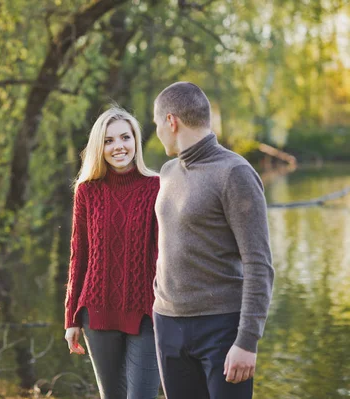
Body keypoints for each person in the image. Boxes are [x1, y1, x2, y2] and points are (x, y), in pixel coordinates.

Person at [152, 81, 275, 399]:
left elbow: (258, 263)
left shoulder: (235, 173)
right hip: (168, 324)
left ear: (171, 121)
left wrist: (247, 341)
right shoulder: (167, 172)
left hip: (221, 328)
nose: (157, 133)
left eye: (156, 125)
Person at [64, 106, 161, 399]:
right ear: (99, 146)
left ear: (136, 141)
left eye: (125, 137)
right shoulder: (87, 191)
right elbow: (78, 256)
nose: (118, 146)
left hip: (147, 312)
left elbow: (163, 258)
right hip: (97, 310)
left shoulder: (157, 186)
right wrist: (71, 319)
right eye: (108, 140)